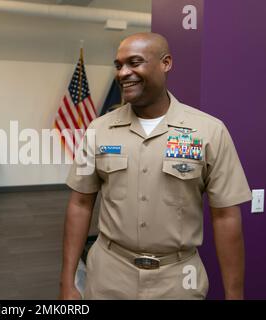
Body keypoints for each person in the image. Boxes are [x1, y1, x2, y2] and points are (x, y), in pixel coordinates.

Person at [60, 32, 251, 300]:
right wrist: (67, 282)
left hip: (178, 280)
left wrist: (235, 295)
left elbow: (226, 216)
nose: (123, 73)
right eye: (119, 65)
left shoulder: (209, 131)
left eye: (134, 62)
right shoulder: (98, 129)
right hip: (109, 275)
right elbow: (80, 204)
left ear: (166, 63)